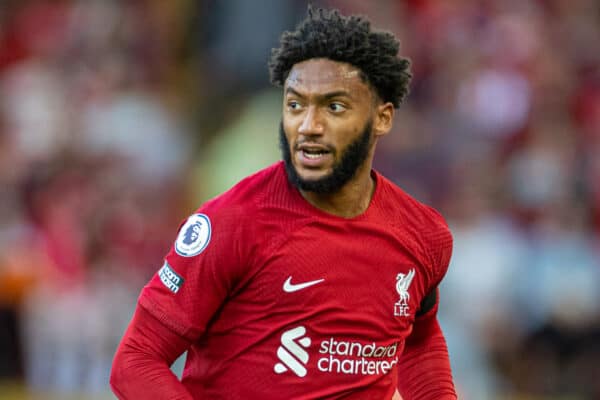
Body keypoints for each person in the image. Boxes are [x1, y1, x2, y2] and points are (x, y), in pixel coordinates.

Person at [110, 6, 457, 400]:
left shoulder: (423, 234)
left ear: (382, 118)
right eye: (295, 105)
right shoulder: (233, 222)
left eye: (334, 107)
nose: (308, 125)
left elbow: (420, 339)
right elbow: (136, 360)